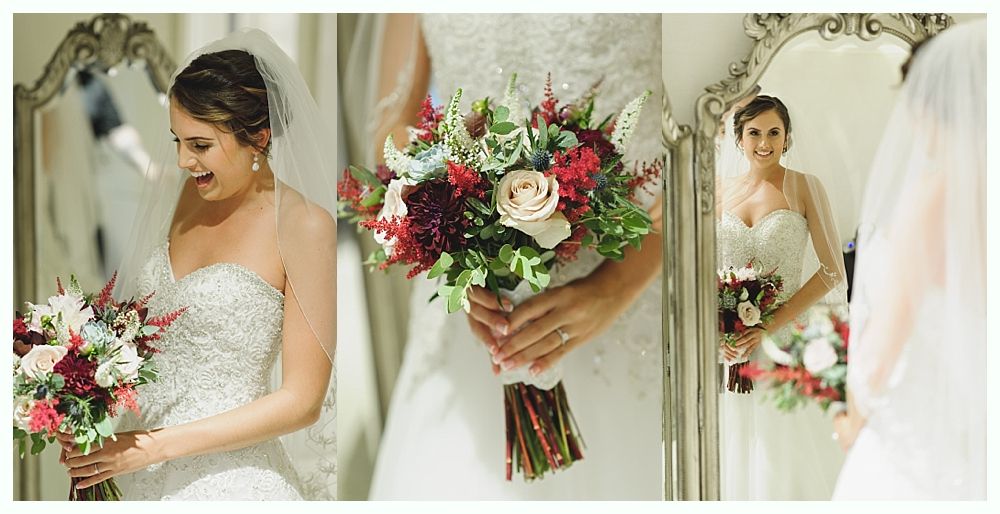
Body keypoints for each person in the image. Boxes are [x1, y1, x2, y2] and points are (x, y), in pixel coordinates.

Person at [363, 14, 665, 499]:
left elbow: (720, 131)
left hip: (636, 284)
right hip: (476, 309)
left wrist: (614, 288)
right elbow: (392, 122)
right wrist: (448, 220)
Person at [56, 29, 338, 500]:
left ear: (259, 138)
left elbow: (302, 402)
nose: (185, 160)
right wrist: (84, 400)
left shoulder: (304, 225)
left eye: (201, 145)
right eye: (177, 140)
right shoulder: (185, 196)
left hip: (231, 483)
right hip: (127, 466)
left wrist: (150, 448)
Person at [832, 20, 985, 500]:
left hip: (924, 447)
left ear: (924, 107)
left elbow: (880, 355)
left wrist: (850, 419)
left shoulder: (935, 196)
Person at [715, 95, 847, 499]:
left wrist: (768, 325)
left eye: (774, 132)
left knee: (782, 451)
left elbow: (831, 270)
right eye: (754, 132)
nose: (764, 142)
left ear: (788, 137)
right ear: (738, 138)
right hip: (728, 348)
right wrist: (720, 329)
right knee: (733, 445)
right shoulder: (718, 190)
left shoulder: (805, 186)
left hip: (783, 343)